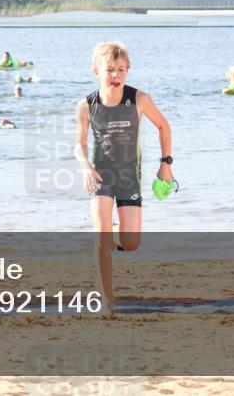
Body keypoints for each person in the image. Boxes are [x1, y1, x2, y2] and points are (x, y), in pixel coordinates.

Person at [75, 42, 173, 312]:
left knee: (131, 243)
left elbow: (164, 126)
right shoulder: (86, 105)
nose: (115, 75)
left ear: (128, 71)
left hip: (130, 177)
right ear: (96, 71)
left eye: (121, 70)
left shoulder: (139, 99)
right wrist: (85, 166)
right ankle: (106, 299)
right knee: (101, 235)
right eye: (110, 70)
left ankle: (112, 244)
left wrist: (166, 164)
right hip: (101, 175)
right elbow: (79, 144)